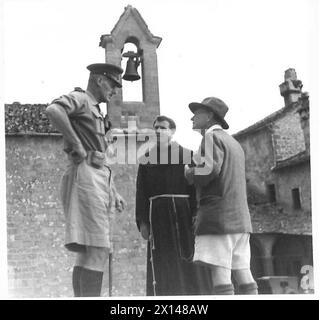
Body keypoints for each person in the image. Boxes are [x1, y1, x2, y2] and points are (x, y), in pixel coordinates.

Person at [45, 63, 125, 297]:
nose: (114, 90)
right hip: (87, 177)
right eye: (112, 84)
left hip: (97, 177)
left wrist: (114, 191)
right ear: (100, 80)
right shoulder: (81, 98)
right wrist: (76, 144)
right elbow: (53, 110)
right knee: (99, 249)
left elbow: (102, 155)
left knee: (89, 250)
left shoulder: (96, 109)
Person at [184, 97, 258, 295]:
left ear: (209, 116)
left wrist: (189, 173)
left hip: (219, 220)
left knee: (221, 276)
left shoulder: (210, 138)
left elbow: (208, 171)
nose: (192, 117)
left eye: (197, 113)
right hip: (240, 221)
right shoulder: (234, 143)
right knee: (244, 274)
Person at [135, 115, 212, 296]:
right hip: (158, 216)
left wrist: (196, 213)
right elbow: (141, 192)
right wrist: (143, 222)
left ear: (172, 131)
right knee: (164, 259)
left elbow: (195, 188)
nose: (159, 131)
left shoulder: (187, 155)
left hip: (184, 214)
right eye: (156, 128)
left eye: (163, 127)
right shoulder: (146, 159)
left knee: (187, 256)